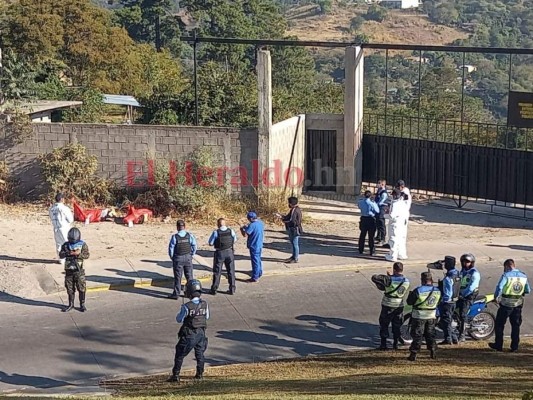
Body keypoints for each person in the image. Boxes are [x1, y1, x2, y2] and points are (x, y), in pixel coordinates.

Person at [168, 279, 209, 383]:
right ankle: (199, 374)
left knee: (180, 354)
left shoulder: (186, 306)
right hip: (201, 333)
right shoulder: (205, 304)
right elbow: (207, 317)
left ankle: (176, 375)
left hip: (189, 334)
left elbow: (179, 319)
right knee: (200, 354)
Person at [489, 259, 530, 352]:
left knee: (499, 324)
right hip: (518, 304)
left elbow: (499, 287)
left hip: (506, 304)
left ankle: (498, 344)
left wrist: (496, 297)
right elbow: (528, 290)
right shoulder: (523, 276)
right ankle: (514, 346)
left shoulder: (506, 275)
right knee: (516, 325)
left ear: (506, 266)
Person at [371, 262, 410, 350]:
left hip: (388, 305)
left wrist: (389, 276)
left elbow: (374, 277)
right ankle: (395, 344)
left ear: (394, 270)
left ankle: (383, 344)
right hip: (399, 305)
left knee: (384, 324)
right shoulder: (406, 281)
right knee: (397, 325)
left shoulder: (389, 280)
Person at [406, 271, 441, 361]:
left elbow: (409, 302)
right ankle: (433, 351)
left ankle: (414, 353)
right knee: (430, 334)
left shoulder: (418, 290)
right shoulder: (437, 291)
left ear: (422, 280)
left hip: (419, 316)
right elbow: (439, 302)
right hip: (431, 316)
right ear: (431, 280)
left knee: (417, 335)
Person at [59, 227, 90, 312]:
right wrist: (69, 253)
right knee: (70, 288)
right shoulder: (65, 245)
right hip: (69, 270)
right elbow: (61, 255)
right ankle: (71, 304)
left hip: (79, 271)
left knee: (81, 288)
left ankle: (82, 304)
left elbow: (87, 255)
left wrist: (78, 254)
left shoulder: (82, 244)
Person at [168, 220, 197, 299]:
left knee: (178, 277)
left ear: (177, 227)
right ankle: (191, 293)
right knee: (189, 277)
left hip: (178, 258)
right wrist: (192, 254)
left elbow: (171, 248)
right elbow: (194, 246)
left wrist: (172, 257)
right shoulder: (189, 236)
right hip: (188, 257)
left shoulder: (175, 237)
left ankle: (176, 294)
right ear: (184, 227)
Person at [208, 218, 237, 295]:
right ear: (225, 223)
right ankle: (232, 288)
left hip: (220, 253)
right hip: (229, 252)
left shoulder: (216, 232)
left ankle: (214, 289)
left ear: (218, 224)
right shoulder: (231, 231)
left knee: (217, 271)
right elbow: (234, 239)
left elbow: (210, 243)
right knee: (231, 271)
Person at [456, 253, 480, 342]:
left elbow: (472, 287)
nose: (465, 263)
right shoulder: (462, 271)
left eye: (467, 262)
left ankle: (462, 335)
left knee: (463, 313)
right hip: (460, 294)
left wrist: (464, 294)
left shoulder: (474, 273)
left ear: (472, 262)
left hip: (470, 295)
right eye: (463, 261)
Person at [437, 256, 461, 345]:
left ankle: (448, 339)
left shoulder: (448, 278)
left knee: (445, 321)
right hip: (455, 300)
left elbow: (448, 292)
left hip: (448, 302)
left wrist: (444, 301)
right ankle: (454, 338)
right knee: (449, 320)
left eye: (445, 263)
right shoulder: (457, 273)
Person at [49, 193, 74, 265]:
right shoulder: (64, 208)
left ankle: (61, 259)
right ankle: (69, 258)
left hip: (56, 227)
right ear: (62, 199)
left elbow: (51, 217)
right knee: (67, 243)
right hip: (64, 227)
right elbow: (70, 219)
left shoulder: (51, 208)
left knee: (58, 244)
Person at [385, 189, 409, 262]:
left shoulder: (395, 204)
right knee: (401, 240)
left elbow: (392, 216)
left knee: (393, 239)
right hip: (402, 223)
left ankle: (392, 256)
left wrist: (385, 215)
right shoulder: (403, 202)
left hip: (395, 224)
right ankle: (401, 254)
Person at [277, 196, 303, 263]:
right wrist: (282, 216)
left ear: (291, 203)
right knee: (293, 243)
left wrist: (283, 220)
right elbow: (288, 217)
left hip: (294, 229)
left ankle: (295, 258)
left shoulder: (295, 210)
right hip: (293, 229)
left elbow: (292, 220)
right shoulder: (294, 209)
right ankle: (293, 256)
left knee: (295, 244)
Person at [240, 211, 264, 283]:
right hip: (259, 244)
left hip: (254, 245)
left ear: (250, 218)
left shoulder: (252, 225)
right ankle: (259, 272)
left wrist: (242, 229)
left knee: (255, 261)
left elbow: (245, 235)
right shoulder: (260, 223)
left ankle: (255, 277)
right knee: (258, 259)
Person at [357, 190, 380, 255]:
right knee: (371, 236)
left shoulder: (360, 202)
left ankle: (360, 249)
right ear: (370, 196)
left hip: (363, 218)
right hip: (371, 219)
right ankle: (372, 250)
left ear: (364, 195)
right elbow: (377, 211)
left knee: (362, 235)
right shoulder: (372, 203)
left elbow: (359, 206)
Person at [374, 180, 389, 244]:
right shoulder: (379, 190)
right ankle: (378, 236)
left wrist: (374, 205)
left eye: (379, 184)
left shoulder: (384, 193)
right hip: (378, 208)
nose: (378, 185)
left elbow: (381, 202)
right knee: (377, 222)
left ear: (383, 184)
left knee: (381, 223)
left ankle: (383, 238)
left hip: (382, 208)